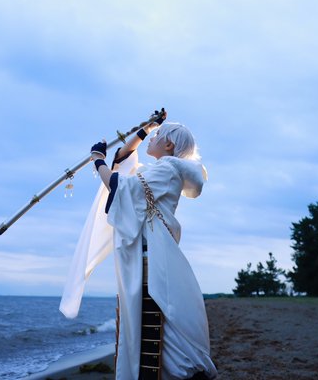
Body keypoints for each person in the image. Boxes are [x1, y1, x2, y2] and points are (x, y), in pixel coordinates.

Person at [60, 112, 217, 380]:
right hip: (151, 253)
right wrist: (146, 129)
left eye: (157, 136)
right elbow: (123, 161)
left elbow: (119, 186)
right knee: (151, 317)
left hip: (152, 256)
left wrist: (97, 160)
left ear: (169, 145)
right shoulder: (162, 170)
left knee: (154, 317)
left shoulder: (167, 169)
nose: (151, 139)